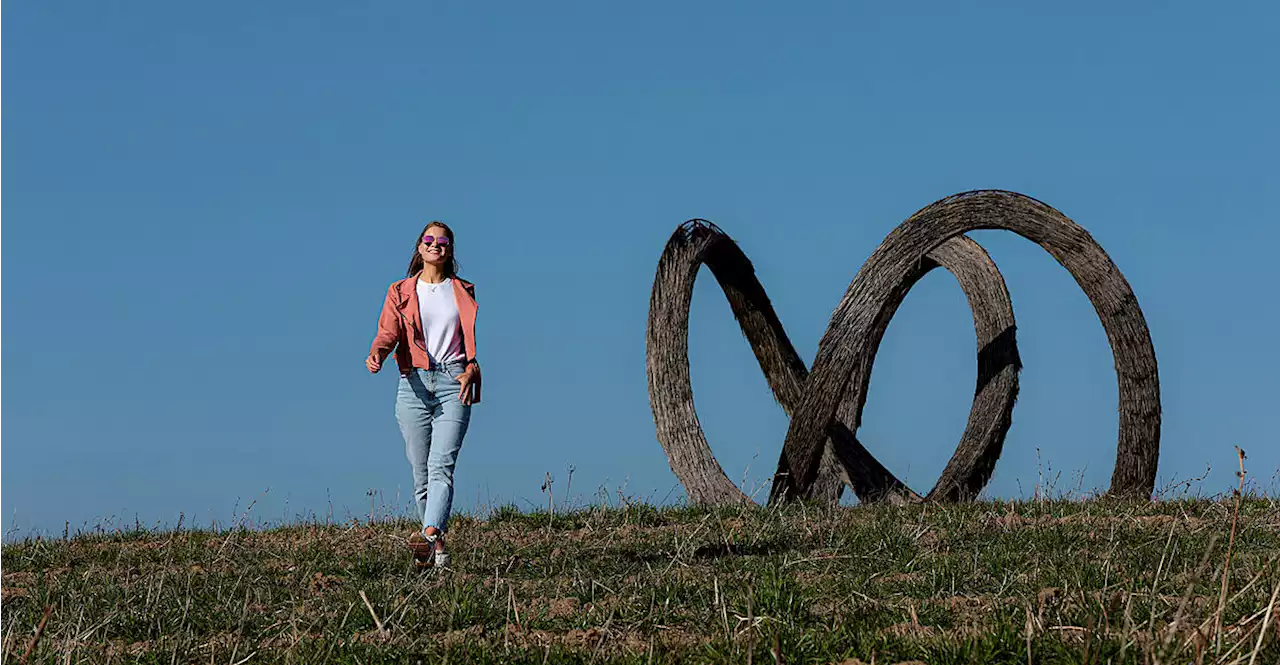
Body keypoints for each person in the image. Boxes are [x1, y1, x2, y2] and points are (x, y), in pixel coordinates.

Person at [366, 220, 481, 569]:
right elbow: (388, 332)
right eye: (429, 239)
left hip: (453, 382)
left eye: (443, 241)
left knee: (440, 466)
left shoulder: (462, 290)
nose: (436, 245)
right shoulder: (400, 291)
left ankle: (429, 533)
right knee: (420, 474)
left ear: (449, 250)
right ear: (419, 247)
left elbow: (468, 342)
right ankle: (438, 553)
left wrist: (473, 367)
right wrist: (378, 353)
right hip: (413, 384)